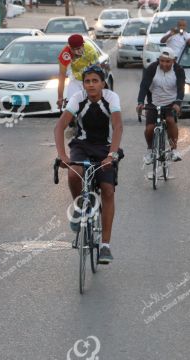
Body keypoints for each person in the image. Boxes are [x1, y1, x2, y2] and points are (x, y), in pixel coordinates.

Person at [54, 65, 123, 264]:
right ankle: (79, 208)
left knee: (107, 190)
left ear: (103, 83)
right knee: (74, 173)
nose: (91, 85)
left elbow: (118, 126)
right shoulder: (78, 98)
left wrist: (112, 155)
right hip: (82, 145)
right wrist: (63, 156)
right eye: (87, 81)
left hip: (106, 147)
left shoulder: (111, 98)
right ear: (83, 84)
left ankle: (105, 246)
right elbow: (59, 127)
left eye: (95, 81)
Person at [137, 47, 185, 165]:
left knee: (170, 120)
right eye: (162, 61)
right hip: (154, 102)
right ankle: (149, 151)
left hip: (171, 103)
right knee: (149, 128)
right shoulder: (152, 68)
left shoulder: (178, 70)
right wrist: (140, 102)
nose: (164, 64)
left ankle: (173, 150)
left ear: (173, 61)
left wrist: (178, 103)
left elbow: (180, 88)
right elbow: (144, 86)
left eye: (168, 61)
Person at [56, 34, 100, 110]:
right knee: (71, 106)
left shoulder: (90, 50)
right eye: (74, 49)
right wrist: (60, 97)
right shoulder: (65, 55)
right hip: (76, 80)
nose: (78, 52)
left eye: (79, 48)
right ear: (69, 47)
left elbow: (98, 71)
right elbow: (61, 77)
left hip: (90, 79)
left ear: (83, 45)